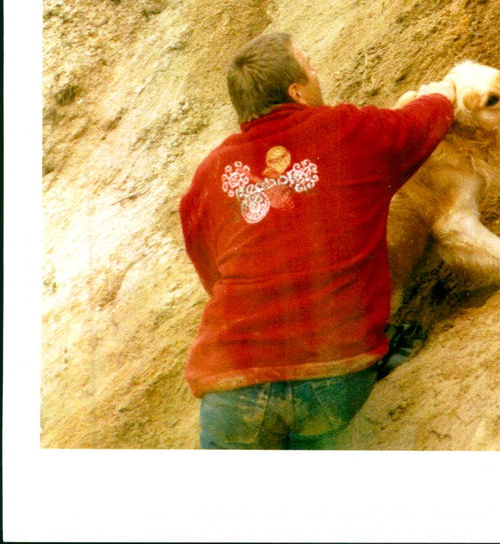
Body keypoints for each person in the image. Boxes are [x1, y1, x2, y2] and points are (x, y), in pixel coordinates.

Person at [179, 31, 455, 449]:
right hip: (332, 377)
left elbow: (210, 272)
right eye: (310, 66)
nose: (316, 72)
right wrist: (443, 95)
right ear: (297, 92)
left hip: (231, 383)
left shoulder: (209, 175)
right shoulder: (345, 129)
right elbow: (415, 127)